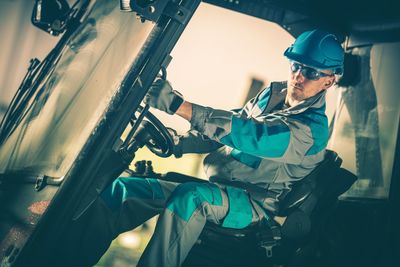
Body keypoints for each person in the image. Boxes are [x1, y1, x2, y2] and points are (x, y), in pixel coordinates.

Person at [72, 29, 344, 267]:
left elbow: (249, 134)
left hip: (254, 205)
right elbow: (222, 133)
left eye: (310, 72)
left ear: (329, 80)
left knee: (191, 199)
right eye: (295, 65)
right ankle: (67, 258)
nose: (298, 76)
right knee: (126, 189)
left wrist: (179, 106)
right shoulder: (271, 97)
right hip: (220, 191)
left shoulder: (311, 129)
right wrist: (179, 142)